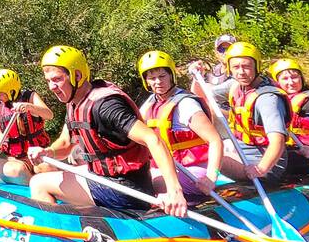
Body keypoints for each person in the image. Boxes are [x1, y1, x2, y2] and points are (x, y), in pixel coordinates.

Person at [26, 45, 187, 216]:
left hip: (124, 189)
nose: (51, 87)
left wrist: (174, 191)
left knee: (38, 183)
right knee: (44, 167)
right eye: (48, 81)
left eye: (57, 79)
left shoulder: (106, 107)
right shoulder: (74, 103)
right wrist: (48, 151)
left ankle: (60, 237)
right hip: (104, 178)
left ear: (77, 76)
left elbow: (152, 139)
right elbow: (66, 144)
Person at [195, 41, 291, 188]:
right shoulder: (236, 84)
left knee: (207, 155)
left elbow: (278, 141)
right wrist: (197, 78)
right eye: (236, 67)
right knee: (200, 149)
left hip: (264, 163)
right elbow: (201, 97)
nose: (241, 72)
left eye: (246, 66)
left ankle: (208, 183)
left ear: (256, 66)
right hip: (242, 149)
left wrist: (261, 169)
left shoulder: (267, 99)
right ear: (229, 69)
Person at [137, 50, 223, 200]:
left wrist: (211, 177)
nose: (158, 82)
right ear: (146, 81)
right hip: (167, 168)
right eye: (152, 78)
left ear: (171, 75)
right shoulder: (150, 103)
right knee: (134, 179)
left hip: (194, 170)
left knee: (144, 185)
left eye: (162, 76)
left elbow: (215, 140)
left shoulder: (186, 104)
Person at [0, 68, 54, 185]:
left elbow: (49, 115)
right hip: (15, 157)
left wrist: (30, 107)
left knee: (43, 168)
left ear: (11, 91)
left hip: (38, 154)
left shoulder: (30, 97)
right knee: (16, 171)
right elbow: (3, 131)